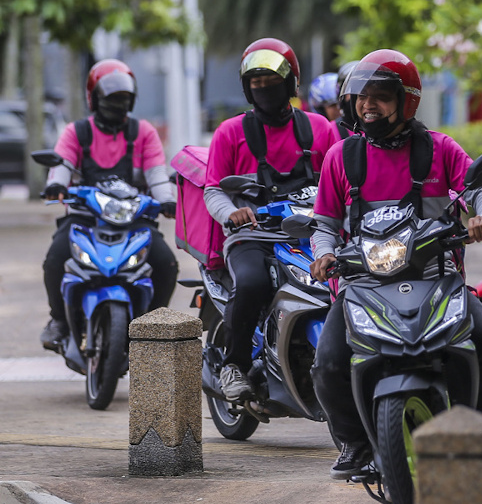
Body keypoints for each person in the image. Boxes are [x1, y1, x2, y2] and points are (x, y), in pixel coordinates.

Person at [308, 48, 482, 479]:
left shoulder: (440, 149)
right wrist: (323, 253)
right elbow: (323, 223)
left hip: (437, 278)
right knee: (327, 362)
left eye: (381, 95)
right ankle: (356, 443)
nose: (368, 105)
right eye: (362, 97)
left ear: (408, 100)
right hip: (361, 285)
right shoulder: (340, 157)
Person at [204, 37, 337, 402]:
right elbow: (213, 189)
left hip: (312, 233)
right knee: (251, 283)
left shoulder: (321, 129)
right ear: (247, 89)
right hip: (252, 236)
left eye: (272, 82)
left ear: (293, 83)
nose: (264, 90)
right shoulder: (231, 132)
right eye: (256, 84)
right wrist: (232, 213)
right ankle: (234, 365)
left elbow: (342, 182)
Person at [40, 59, 178, 349]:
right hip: (84, 219)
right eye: (112, 98)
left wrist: (167, 200)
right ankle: (60, 322)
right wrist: (56, 184)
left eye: (124, 98)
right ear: (94, 98)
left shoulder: (144, 133)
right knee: (54, 259)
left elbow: (156, 173)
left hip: (134, 220)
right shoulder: (77, 132)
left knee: (166, 263)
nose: (118, 104)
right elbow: (62, 164)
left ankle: (151, 330)